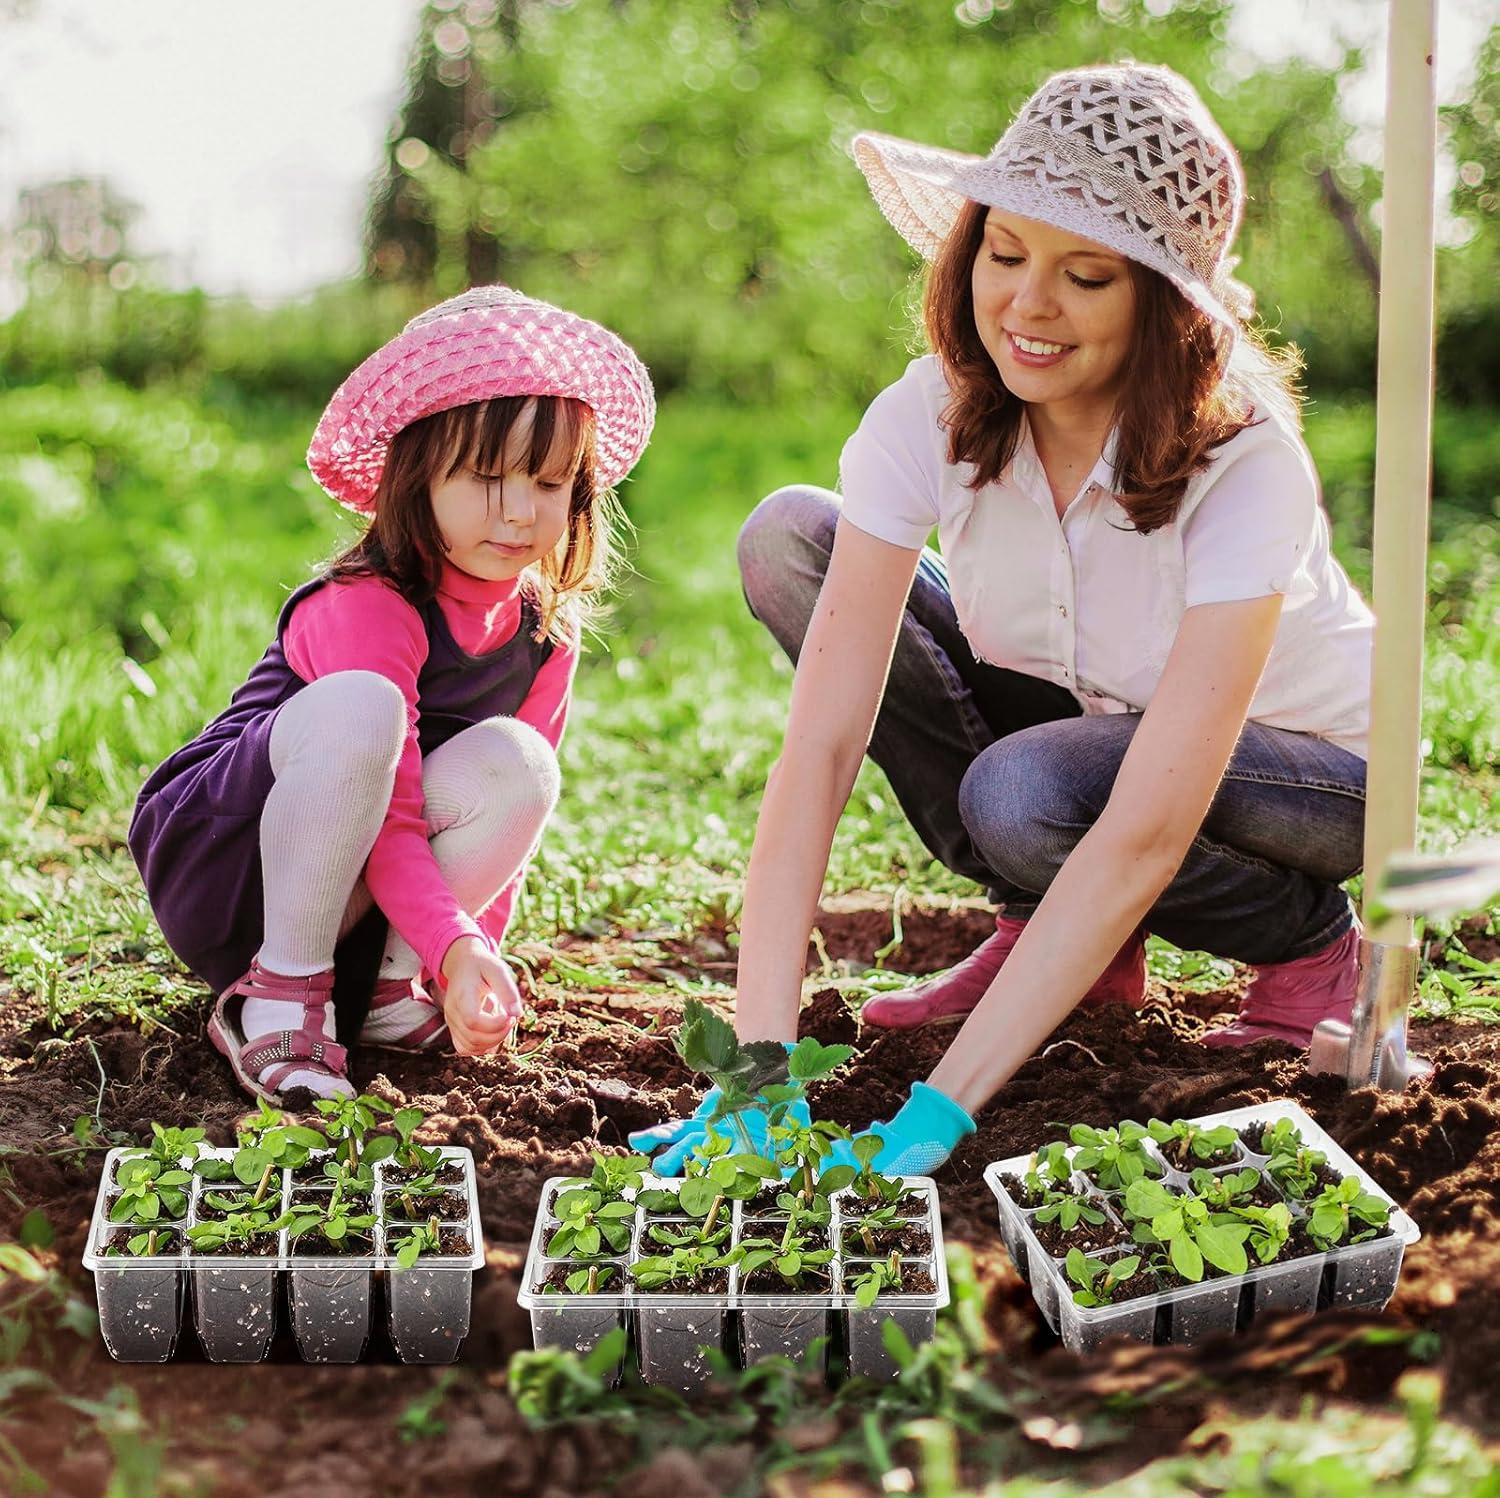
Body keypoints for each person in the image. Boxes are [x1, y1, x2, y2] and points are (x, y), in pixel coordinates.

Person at [631, 63, 1371, 1178]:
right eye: (1005, 254)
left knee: (1029, 795)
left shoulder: (1244, 465)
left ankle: (1312, 947)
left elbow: (1146, 828)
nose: (1028, 305)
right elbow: (822, 743)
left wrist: (939, 1111)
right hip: (1094, 719)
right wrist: (756, 1068)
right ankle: (1063, 936)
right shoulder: (929, 411)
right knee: (795, 538)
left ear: (1162, 305)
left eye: (1087, 276)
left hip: (1312, 776)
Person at [129, 286, 654, 1106]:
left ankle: (381, 998)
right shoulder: (369, 602)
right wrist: (452, 940)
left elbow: (506, 824)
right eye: (487, 477)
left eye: (550, 484)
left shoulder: (544, 631)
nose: (520, 512)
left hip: (359, 894)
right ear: (416, 475)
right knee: (364, 709)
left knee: (521, 763)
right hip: (231, 869)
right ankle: (276, 999)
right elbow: (396, 812)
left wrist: (466, 956)